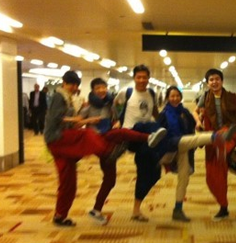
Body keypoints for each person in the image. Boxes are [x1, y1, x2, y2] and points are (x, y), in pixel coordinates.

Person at [44, 71, 163, 227]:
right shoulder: (73, 101)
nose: (101, 90)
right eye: (98, 88)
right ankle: (112, 151)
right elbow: (65, 121)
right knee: (88, 135)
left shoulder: (110, 104)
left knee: (89, 180)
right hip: (89, 142)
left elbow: (117, 116)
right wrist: (87, 120)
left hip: (102, 140)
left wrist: (116, 121)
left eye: (103, 87)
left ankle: (68, 214)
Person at [157, 86, 236, 222]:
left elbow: (193, 126)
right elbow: (157, 132)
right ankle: (216, 137)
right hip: (170, 145)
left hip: (183, 147)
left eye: (177, 96)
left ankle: (178, 209)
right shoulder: (164, 114)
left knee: (184, 178)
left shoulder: (184, 112)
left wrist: (199, 123)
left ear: (181, 97)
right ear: (167, 98)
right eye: (172, 96)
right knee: (193, 139)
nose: (175, 98)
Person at [193, 68, 236, 221]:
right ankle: (223, 206)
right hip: (213, 137)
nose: (214, 82)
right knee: (213, 176)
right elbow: (195, 111)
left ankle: (224, 148)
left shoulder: (232, 97)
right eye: (211, 80)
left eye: (217, 79)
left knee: (223, 140)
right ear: (207, 83)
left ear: (222, 81)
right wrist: (198, 122)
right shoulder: (205, 97)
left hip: (229, 134)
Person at [114, 64, 161, 222]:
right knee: (144, 170)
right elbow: (115, 105)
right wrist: (117, 121)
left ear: (148, 78)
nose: (141, 80)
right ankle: (136, 210)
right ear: (134, 78)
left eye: (144, 77)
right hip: (131, 135)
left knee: (155, 173)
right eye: (138, 77)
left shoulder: (151, 93)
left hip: (147, 136)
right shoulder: (126, 92)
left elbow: (154, 112)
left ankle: (136, 208)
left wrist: (161, 122)